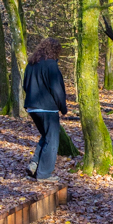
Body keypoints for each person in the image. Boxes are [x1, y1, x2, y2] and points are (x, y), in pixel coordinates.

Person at [22, 38, 68, 181]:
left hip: (32, 107)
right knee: (52, 140)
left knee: (46, 137)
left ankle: (35, 164)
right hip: (48, 108)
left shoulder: (31, 65)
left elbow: (25, 86)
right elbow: (57, 89)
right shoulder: (51, 65)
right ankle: (44, 174)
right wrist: (63, 107)